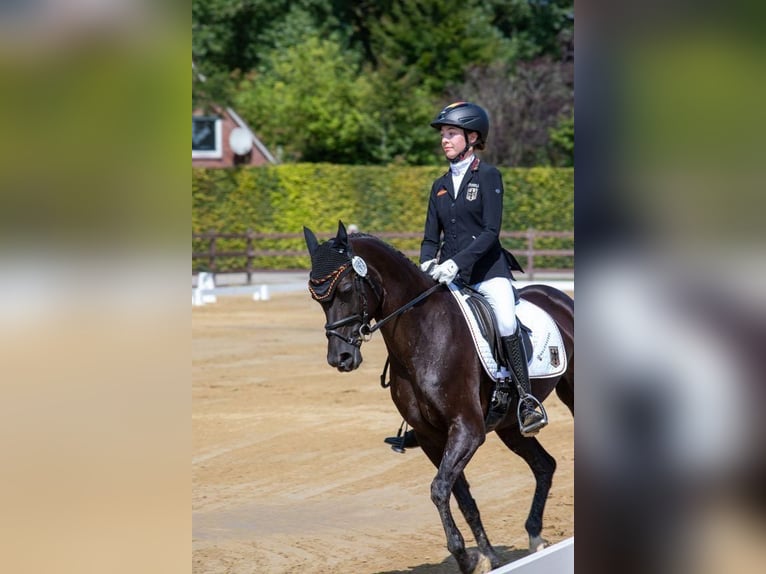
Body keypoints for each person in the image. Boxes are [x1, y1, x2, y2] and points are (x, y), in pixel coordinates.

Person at [384, 101, 546, 451]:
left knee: (504, 320)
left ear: (472, 138)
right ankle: (422, 414)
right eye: (443, 134)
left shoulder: (488, 176)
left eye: (452, 134)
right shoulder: (439, 185)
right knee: (426, 326)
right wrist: (426, 263)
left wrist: (456, 262)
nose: (445, 140)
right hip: (448, 277)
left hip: (488, 272)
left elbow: (490, 231)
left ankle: (526, 401)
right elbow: (431, 237)